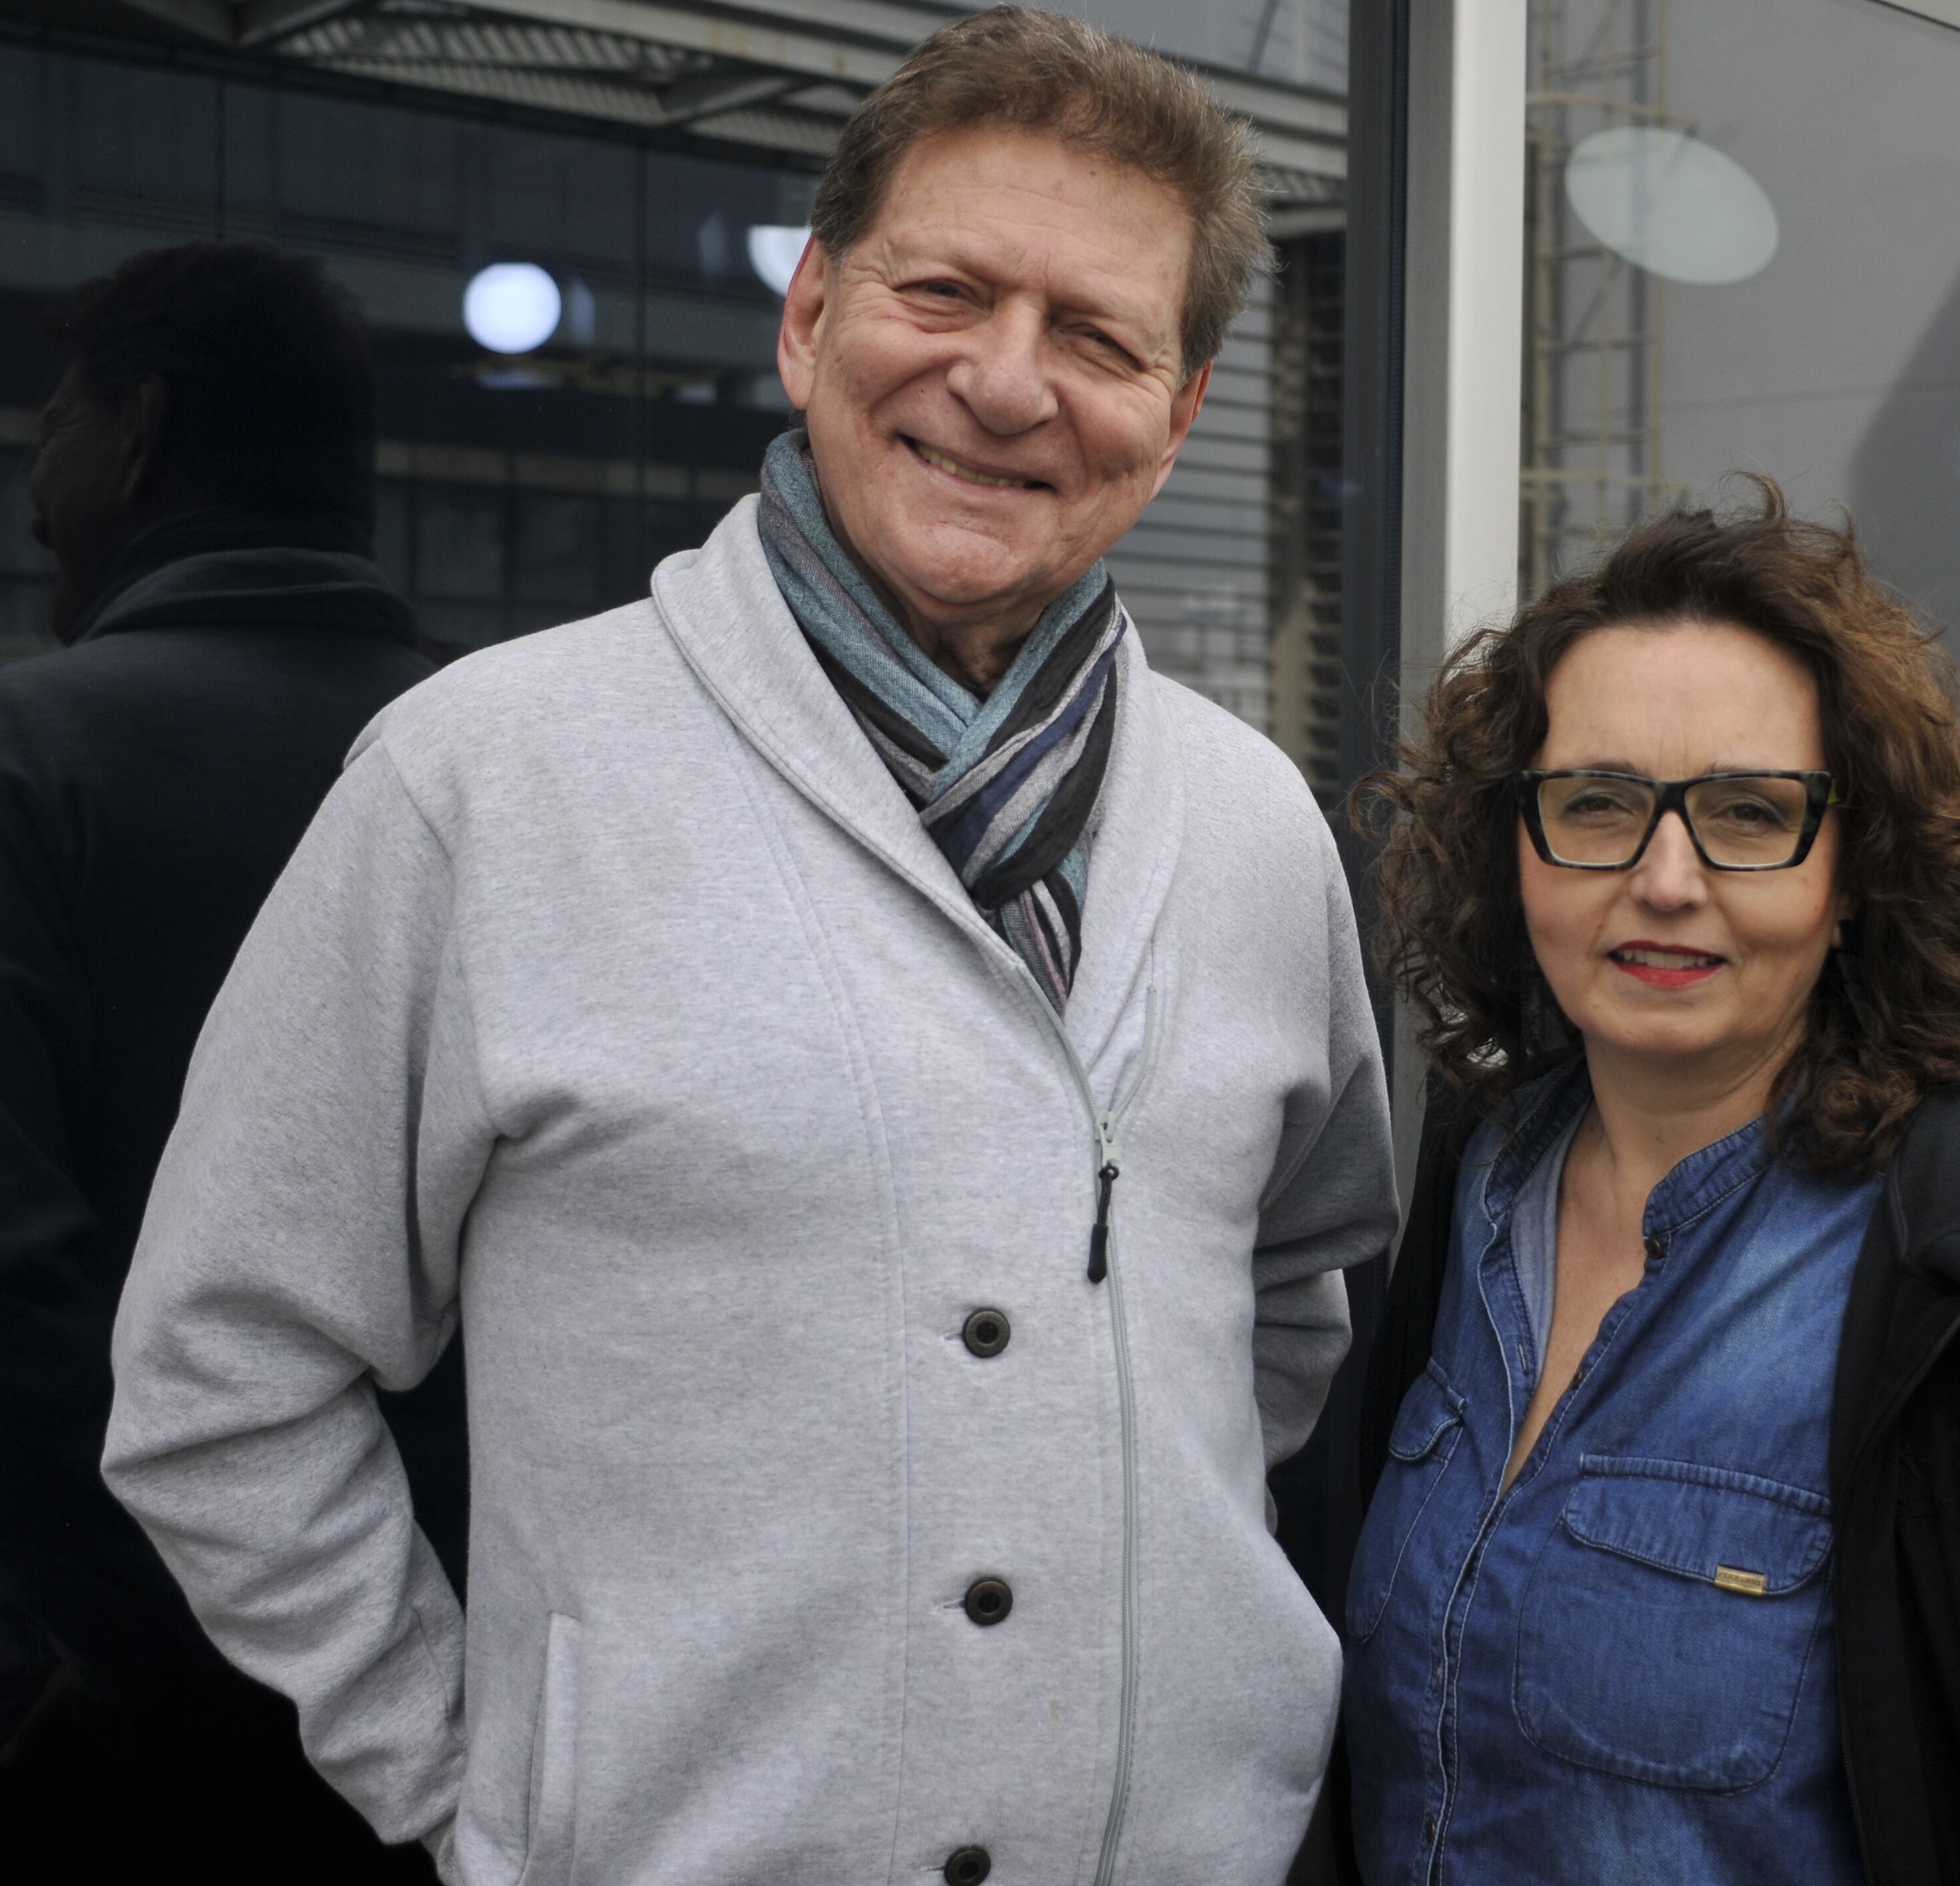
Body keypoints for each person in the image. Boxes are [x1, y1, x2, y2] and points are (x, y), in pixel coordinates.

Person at [99, 12, 1398, 1885]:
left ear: (1180, 412)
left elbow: (1287, 1302)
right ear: (808, 320)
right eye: (946, 290)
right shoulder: (487, 781)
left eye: (1100, 337)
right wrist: (474, 1790)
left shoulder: (1262, 828)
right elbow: (224, 1376)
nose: (1010, 383)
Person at [1338, 496, 1960, 1884]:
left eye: (1747, 812)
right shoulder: (1478, 1182)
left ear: (1853, 869)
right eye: (1595, 801)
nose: (1663, 879)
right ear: (1509, 844)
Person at [0, 242, 450, 1882]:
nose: (28, 493)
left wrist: (171, 1662)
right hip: (448, 1687)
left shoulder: (3, 762)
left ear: (137, 433)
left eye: (51, 424)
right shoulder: (503, 770)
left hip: (72, 1703)